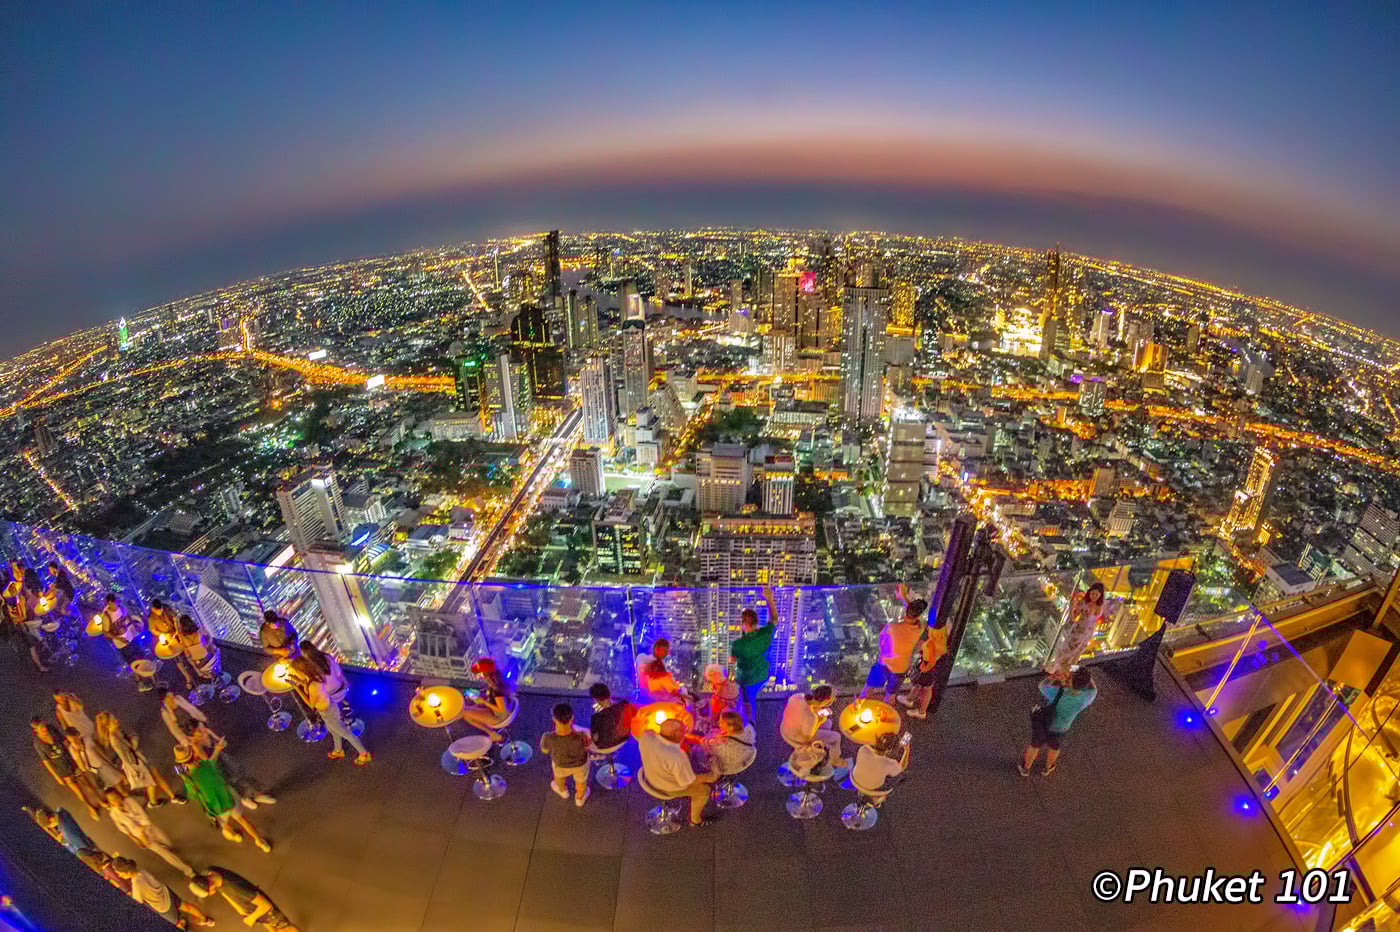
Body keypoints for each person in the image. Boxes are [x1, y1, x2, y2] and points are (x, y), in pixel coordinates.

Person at [175, 741, 272, 852]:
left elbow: (192, 795)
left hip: (215, 806)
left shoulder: (189, 779)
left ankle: (234, 835)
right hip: (228, 797)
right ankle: (260, 841)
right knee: (242, 820)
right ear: (192, 754)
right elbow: (213, 758)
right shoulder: (206, 765)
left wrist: (186, 778)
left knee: (224, 825)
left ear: (182, 763)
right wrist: (217, 748)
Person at [638, 718, 718, 827]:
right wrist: (710, 776)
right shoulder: (677, 756)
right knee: (704, 790)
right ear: (676, 733)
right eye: (684, 730)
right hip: (667, 787)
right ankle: (695, 821)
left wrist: (686, 739)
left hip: (649, 776)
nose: (686, 732)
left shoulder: (646, 736)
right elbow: (688, 781)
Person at [102, 787, 197, 878]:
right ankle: (188, 871)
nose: (115, 800)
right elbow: (122, 828)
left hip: (149, 827)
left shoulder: (129, 801)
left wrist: (142, 831)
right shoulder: (113, 813)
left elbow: (143, 815)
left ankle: (171, 850)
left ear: (119, 795)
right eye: (112, 800)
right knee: (165, 854)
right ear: (109, 802)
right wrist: (136, 838)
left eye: (116, 797)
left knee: (167, 842)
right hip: (141, 837)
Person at [1020, 666, 1098, 777]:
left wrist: (1052, 677)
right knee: (1054, 747)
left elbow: (1042, 685)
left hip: (1045, 725)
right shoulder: (1087, 698)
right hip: (1062, 728)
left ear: (1070, 681)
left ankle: (1025, 769)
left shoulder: (1058, 692)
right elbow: (1094, 688)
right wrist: (1085, 675)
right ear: (1085, 684)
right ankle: (1047, 768)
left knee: (1035, 746)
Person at [296, 655, 371, 765]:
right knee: (332, 730)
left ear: (301, 671)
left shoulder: (313, 684)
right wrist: (299, 681)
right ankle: (338, 750)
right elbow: (313, 691)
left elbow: (311, 704)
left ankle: (364, 754)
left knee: (345, 733)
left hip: (327, 712)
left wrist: (296, 688)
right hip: (329, 707)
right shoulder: (315, 677)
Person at [95, 710, 180, 806]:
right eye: (113, 721)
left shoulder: (116, 732)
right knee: (152, 781)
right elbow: (127, 755)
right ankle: (161, 800)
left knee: (153, 778)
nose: (116, 720)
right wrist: (134, 738)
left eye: (115, 718)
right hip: (136, 764)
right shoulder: (114, 740)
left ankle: (162, 799)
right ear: (107, 726)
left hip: (138, 759)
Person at [863, 585, 928, 702]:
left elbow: (881, 642)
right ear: (919, 615)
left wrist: (903, 597)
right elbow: (913, 614)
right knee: (891, 695)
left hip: (884, 662)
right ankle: (886, 710)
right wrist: (904, 599)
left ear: (906, 611)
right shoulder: (921, 627)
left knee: (868, 688)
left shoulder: (892, 627)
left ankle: (861, 705)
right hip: (901, 667)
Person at [111, 857, 215, 929]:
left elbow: (137, 904)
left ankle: (182, 923)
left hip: (164, 907)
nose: (119, 876)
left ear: (127, 872)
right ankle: (206, 920)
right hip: (167, 893)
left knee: (176, 924)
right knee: (186, 906)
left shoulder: (136, 885)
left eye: (119, 873)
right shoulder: (141, 871)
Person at [189, 867, 299, 931]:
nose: (211, 894)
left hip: (266, 912)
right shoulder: (210, 872)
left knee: (285, 928)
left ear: (210, 883)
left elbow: (266, 906)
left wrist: (251, 918)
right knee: (272, 928)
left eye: (209, 892)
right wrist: (241, 911)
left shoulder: (236, 888)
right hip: (253, 910)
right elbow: (224, 893)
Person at [31, 718, 100, 818]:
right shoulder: (37, 743)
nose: (44, 729)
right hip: (61, 768)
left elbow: (65, 741)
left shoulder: (51, 728)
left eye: (44, 725)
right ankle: (90, 807)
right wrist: (57, 777)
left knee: (86, 782)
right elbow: (46, 761)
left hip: (70, 759)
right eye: (41, 728)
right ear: (36, 730)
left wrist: (77, 756)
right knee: (78, 790)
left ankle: (100, 800)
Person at [729, 585, 778, 723]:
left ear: (744, 624)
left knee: (747, 702)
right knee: (752, 694)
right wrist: (769, 599)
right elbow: (774, 618)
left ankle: (750, 723)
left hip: (747, 681)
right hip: (763, 676)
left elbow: (732, 661)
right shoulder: (766, 633)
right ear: (756, 622)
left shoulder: (738, 644)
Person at [1045, 582, 1108, 680]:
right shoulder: (1083, 603)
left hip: (1086, 633)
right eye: (1092, 593)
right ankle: (1058, 671)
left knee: (1076, 654)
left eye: (1097, 594)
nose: (1094, 596)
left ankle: (1066, 674)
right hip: (1077, 631)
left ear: (1100, 595)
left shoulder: (1099, 607)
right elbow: (1073, 618)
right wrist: (1072, 606)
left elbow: (1093, 615)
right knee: (1067, 651)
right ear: (1089, 592)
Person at [779, 684, 847, 768]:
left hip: (785, 728)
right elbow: (806, 738)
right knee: (836, 737)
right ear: (825, 701)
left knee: (828, 722)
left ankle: (824, 744)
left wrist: (818, 714)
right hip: (795, 738)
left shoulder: (798, 696)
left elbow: (801, 712)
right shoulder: (811, 717)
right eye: (829, 702)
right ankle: (835, 760)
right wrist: (820, 720)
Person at [899, 611, 949, 720]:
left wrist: (911, 656)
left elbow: (919, 646)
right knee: (919, 683)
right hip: (932, 662)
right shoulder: (942, 628)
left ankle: (921, 712)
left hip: (930, 664)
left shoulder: (931, 631)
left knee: (926, 688)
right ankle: (910, 699)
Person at [540, 703, 592, 807]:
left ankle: (563, 791)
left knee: (559, 778)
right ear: (572, 718)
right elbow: (587, 747)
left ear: (554, 719)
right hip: (580, 764)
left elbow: (544, 751)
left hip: (560, 764)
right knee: (581, 782)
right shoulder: (582, 735)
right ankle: (580, 799)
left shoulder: (547, 737)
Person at [460, 657, 513, 742]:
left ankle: (494, 735)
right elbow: (491, 696)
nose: (478, 675)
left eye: (479, 673)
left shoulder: (497, 690)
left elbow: (502, 710)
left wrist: (483, 701)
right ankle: (493, 734)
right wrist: (478, 694)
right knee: (466, 712)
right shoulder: (495, 681)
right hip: (495, 710)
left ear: (485, 674)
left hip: (499, 717)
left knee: (464, 713)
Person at [5, 568, 47, 672]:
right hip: (24, 624)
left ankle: (40, 663)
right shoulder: (21, 598)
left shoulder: (19, 597)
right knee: (32, 644)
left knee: (32, 644)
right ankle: (40, 665)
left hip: (25, 623)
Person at [691, 710, 756, 776]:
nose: (718, 722)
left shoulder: (722, 745)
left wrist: (687, 736)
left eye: (721, 722)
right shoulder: (747, 728)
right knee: (714, 732)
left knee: (695, 750)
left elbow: (701, 742)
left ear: (731, 727)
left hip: (725, 767)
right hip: (747, 755)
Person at [851, 732, 911, 804]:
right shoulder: (890, 763)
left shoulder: (864, 749)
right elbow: (902, 767)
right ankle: (877, 799)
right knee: (897, 776)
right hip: (873, 788)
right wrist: (906, 750)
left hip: (856, 780)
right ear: (889, 750)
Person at [63, 725, 121, 793]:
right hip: (95, 772)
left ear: (77, 735)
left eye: (75, 738)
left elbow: (100, 752)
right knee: (111, 791)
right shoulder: (72, 749)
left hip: (104, 766)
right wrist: (79, 752)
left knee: (119, 786)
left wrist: (110, 763)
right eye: (71, 740)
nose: (74, 742)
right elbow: (83, 768)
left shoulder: (87, 739)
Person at [24, 804, 94, 853]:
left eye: (49, 826)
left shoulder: (67, 833)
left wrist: (66, 844)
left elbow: (82, 849)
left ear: (51, 819)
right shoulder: (61, 811)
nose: (51, 827)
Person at [587, 683, 635, 749]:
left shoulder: (596, 717)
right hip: (625, 739)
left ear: (596, 700)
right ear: (609, 693)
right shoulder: (624, 705)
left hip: (605, 747)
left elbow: (595, 738)